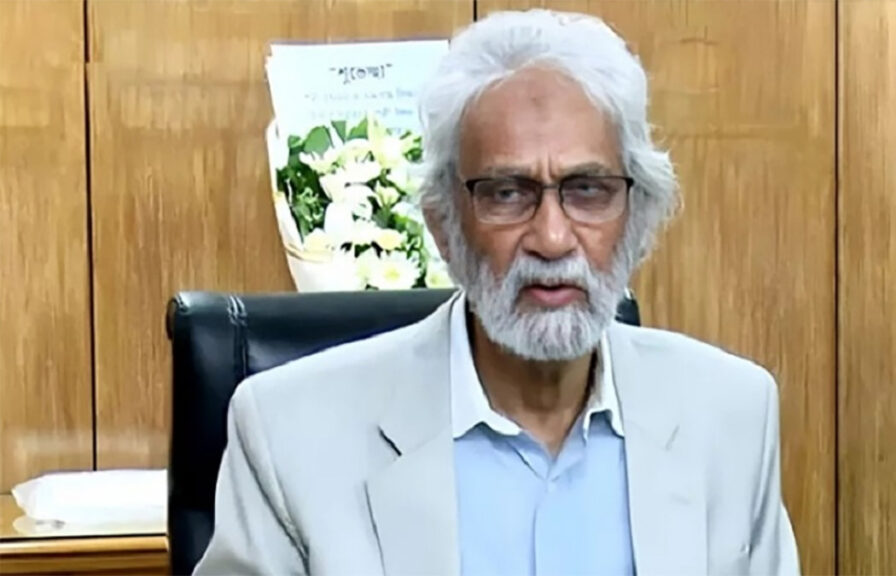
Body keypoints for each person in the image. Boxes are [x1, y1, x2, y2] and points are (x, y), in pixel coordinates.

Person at [194, 9, 800, 576]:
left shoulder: (730, 416)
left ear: (636, 216)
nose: (553, 238)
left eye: (588, 190)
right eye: (508, 193)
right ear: (443, 224)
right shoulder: (289, 435)